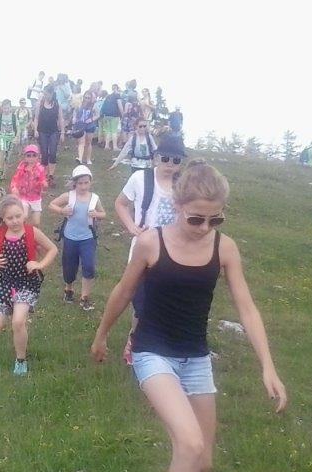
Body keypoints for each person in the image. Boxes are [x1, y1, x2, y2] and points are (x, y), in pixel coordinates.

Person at [91, 161, 288, 472]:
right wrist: (101, 336)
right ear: (177, 206)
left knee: (204, 463)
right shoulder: (151, 243)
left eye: (215, 219)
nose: (204, 227)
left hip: (196, 359)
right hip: (152, 353)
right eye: (196, 218)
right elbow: (123, 292)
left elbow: (247, 308)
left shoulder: (224, 248)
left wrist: (268, 365)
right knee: (190, 443)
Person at [115, 134, 187, 364]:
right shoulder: (141, 178)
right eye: (165, 158)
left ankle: (160, 344)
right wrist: (132, 227)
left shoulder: (184, 186)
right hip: (143, 250)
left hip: (174, 251)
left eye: (176, 160)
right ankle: (134, 342)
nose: (170, 164)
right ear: (156, 157)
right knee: (141, 301)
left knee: (166, 299)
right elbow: (121, 203)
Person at [0, 195, 58, 376]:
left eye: (18, 216)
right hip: (5, 283)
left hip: (27, 283)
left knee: (18, 321)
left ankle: (20, 361)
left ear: (24, 213)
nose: (15, 221)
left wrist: (40, 264)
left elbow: (53, 249)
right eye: (10, 218)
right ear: (3, 219)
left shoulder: (32, 232)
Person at [48, 164, 106, 311]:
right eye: (80, 183)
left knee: (89, 266)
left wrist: (97, 215)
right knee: (69, 266)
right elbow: (51, 205)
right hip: (70, 238)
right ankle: (69, 289)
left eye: (86, 182)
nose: (83, 186)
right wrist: (62, 211)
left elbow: (103, 213)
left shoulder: (94, 198)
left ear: (90, 182)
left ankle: (85, 297)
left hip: (88, 238)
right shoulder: (69, 196)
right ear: (74, 183)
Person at [10, 144, 48, 227]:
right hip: (23, 196)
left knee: (36, 222)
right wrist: (14, 187)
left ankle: (33, 232)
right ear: (25, 157)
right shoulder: (21, 168)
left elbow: (43, 180)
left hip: (35, 197)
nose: (31, 158)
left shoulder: (40, 169)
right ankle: (22, 230)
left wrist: (44, 184)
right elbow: (15, 180)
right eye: (28, 155)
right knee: (24, 216)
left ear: (38, 157)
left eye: (34, 155)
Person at [34, 85, 65, 187]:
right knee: (44, 154)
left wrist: (62, 132)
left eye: (47, 94)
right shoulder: (40, 104)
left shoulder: (57, 104)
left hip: (53, 132)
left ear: (51, 94)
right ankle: (44, 175)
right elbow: (36, 118)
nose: (45, 96)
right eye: (44, 94)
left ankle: (51, 175)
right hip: (42, 131)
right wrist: (35, 130)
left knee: (52, 153)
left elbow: (61, 119)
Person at [71, 91, 99, 166]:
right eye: (85, 97)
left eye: (88, 98)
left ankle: (88, 159)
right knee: (81, 142)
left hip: (90, 126)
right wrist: (74, 118)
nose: (87, 99)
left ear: (91, 98)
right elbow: (75, 112)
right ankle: (80, 158)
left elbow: (97, 115)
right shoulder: (80, 104)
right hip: (80, 125)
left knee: (88, 142)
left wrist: (91, 119)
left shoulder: (94, 106)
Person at [99, 85, 123, 151]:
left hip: (106, 115)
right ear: (117, 89)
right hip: (114, 115)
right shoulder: (117, 95)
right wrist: (123, 114)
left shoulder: (108, 96)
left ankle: (107, 146)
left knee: (108, 131)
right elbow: (120, 105)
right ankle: (115, 147)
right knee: (114, 131)